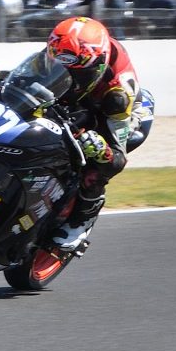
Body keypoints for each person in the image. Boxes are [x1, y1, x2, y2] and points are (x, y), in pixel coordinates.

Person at [44, 16, 148, 251]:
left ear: (97, 66)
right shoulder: (63, 47)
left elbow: (118, 158)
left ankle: (83, 218)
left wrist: (103, 149)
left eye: (75, 73)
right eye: (60, 68)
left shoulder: (119, 92)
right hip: (85, 92)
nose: (66, 76)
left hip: (113, 110)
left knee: (99, 164)